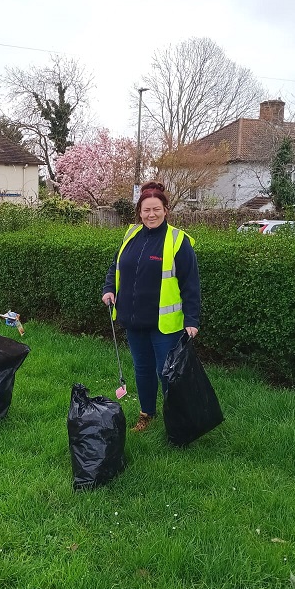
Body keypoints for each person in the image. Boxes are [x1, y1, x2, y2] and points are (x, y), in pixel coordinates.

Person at [102, 182, 200, 432]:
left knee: (167, 373)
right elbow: (116, 266)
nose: (151, 214)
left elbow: (190, 284)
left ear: (166, 210)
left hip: (164, 324)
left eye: (156, 209)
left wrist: (192, 320)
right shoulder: (131, 235)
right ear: (139, 212)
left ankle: (176, 420)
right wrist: (109, 289)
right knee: (142, 370)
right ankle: (147, 414)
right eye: (146, 210)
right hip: (133, 320)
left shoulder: (178, 240)